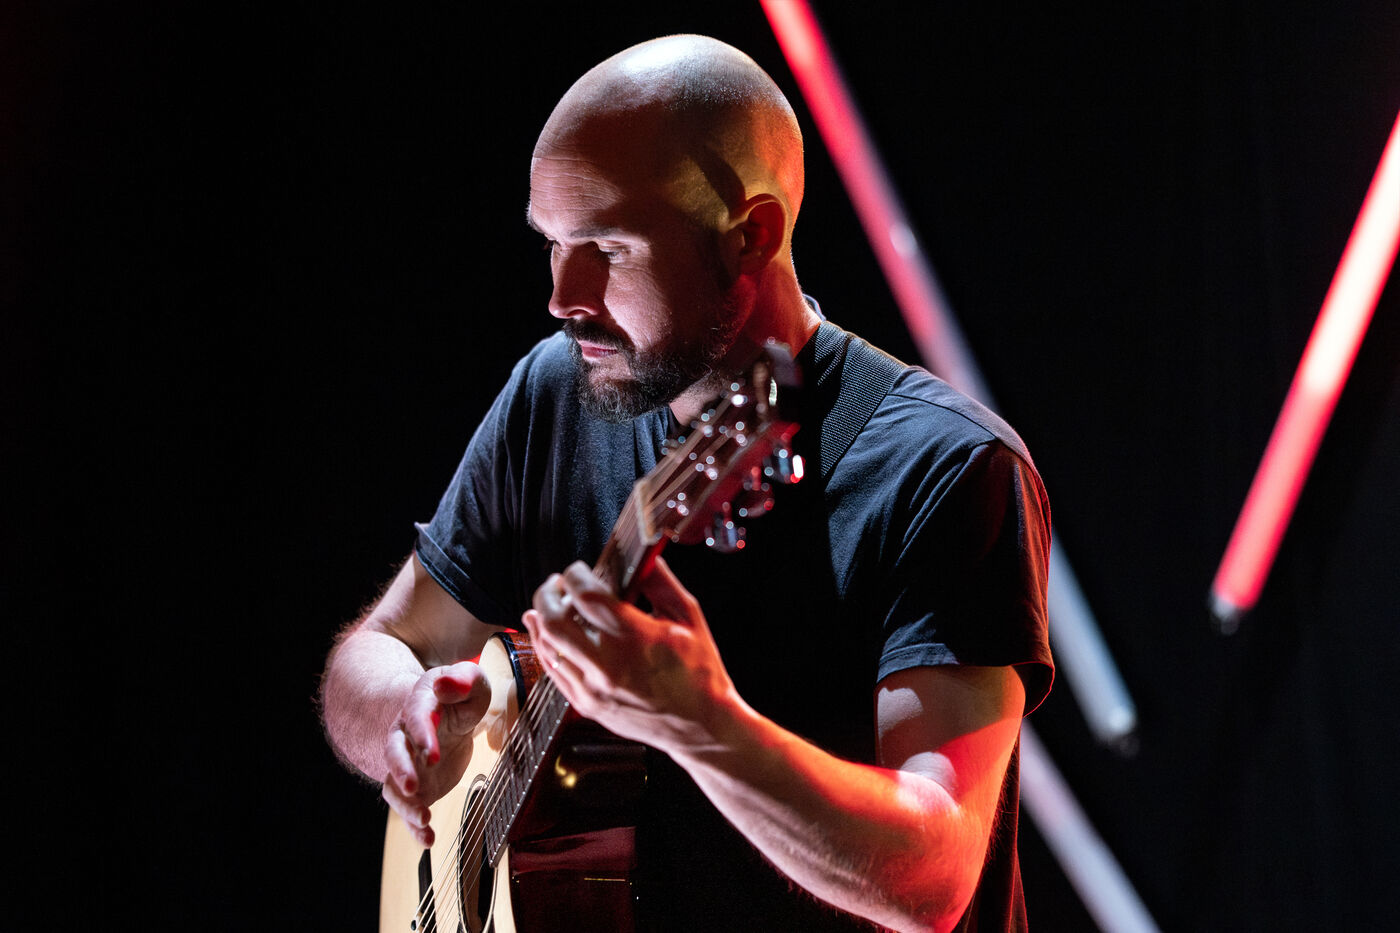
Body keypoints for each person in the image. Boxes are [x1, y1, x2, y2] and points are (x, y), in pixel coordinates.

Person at [320, 34, 1052, 933]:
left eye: (607, 245)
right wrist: (406, 714)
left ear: (751, 235)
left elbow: (933, 876)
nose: (562, 294)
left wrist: (701, 722)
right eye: (552, 242)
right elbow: (380, 647)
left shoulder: (943, 465)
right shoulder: (556, 392)